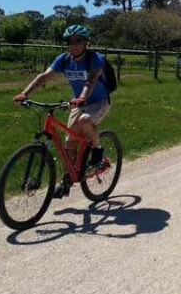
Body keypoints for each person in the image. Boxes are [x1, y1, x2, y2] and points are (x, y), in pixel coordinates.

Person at [13, 24, 110, 198]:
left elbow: (91, 80)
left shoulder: (94, 58)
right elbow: (44, 77)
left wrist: (81, 97)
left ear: (86, 42)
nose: (73, 45)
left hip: (98, 101)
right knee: (69, 142)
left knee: (85, 121)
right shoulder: (64, 59)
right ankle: (66, 181)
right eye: (69, 41)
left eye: (78, 41)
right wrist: (24, 93)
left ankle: (98, 149)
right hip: (77, 103)